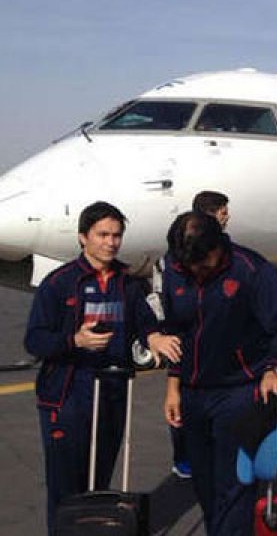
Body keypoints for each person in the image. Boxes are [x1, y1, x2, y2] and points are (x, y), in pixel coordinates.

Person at [25, 201, 180, 535]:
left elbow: (144, 319)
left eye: (117, 235)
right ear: (83, 237)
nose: (111, 242)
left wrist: (154, 337)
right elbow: (35, 340)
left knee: (100, 480)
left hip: (112, 391)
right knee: (66, 486)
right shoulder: (59, 283)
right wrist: (74, 341)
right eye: (103, 235)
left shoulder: (127, 282)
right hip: (67, 396)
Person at [161, 211, 277, 536]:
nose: (195, 272)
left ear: (218, 248)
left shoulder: (252, 270)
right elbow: (176, 330)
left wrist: (274, 368)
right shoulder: (176, 269)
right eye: (188, 266)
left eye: (202, 264)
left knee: (234, 488)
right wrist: (173, 386)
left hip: (239, 392)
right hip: (194, 394)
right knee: (205, 486)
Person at [166, 190, 235, 479]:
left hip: (210, 342)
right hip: (194, 341)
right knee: (185, 403)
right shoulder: (178, 256)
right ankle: (187, 456)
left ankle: (195, 457)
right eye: (223, 212)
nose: (227, 216)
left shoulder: (231, 252)